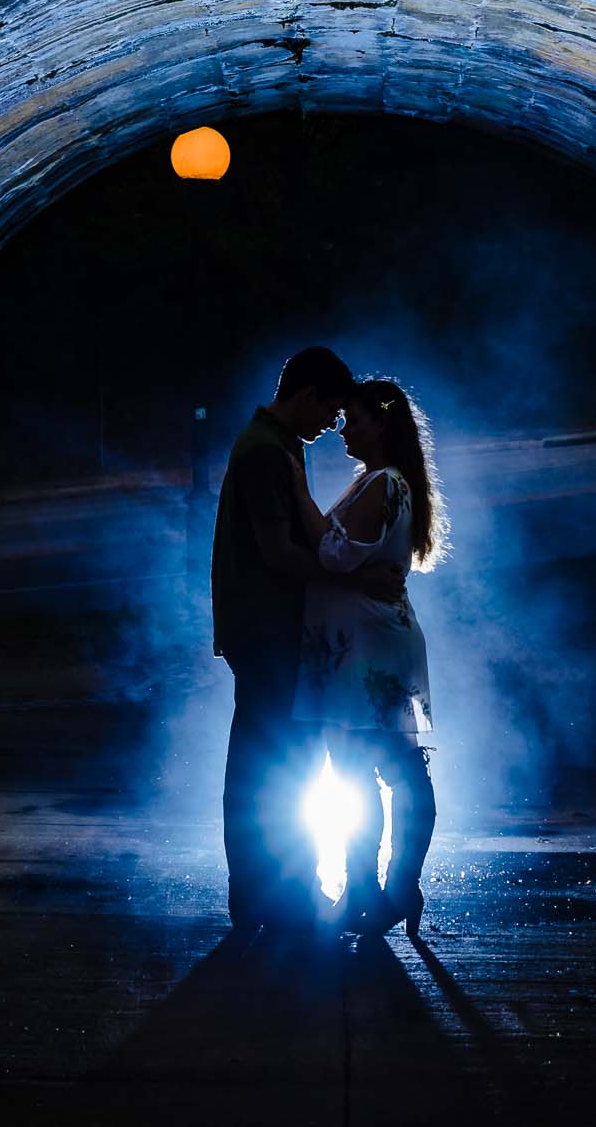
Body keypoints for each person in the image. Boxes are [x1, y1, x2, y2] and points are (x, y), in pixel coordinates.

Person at [211, 347, 405, 932]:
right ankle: (273, 898)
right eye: (329, 411)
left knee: (273, 763)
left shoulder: (278, 444)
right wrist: (351, 572)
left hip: (272, 630)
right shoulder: (267, 451)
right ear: (306, 394)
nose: (332, 426)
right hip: (269, 632)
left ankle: (275, 895)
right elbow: (276, 551)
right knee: (271, 766)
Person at [288, 377, 447, 937]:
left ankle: (382, 890)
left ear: (381, 423)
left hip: (367, 649)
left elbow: (333, 553)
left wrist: (300, 497)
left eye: (353, 421)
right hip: (375, 643)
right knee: (394, 768)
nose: (342, 430)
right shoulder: (386, 481)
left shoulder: (381, 482)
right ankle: (387, 889)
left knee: (368, 769)